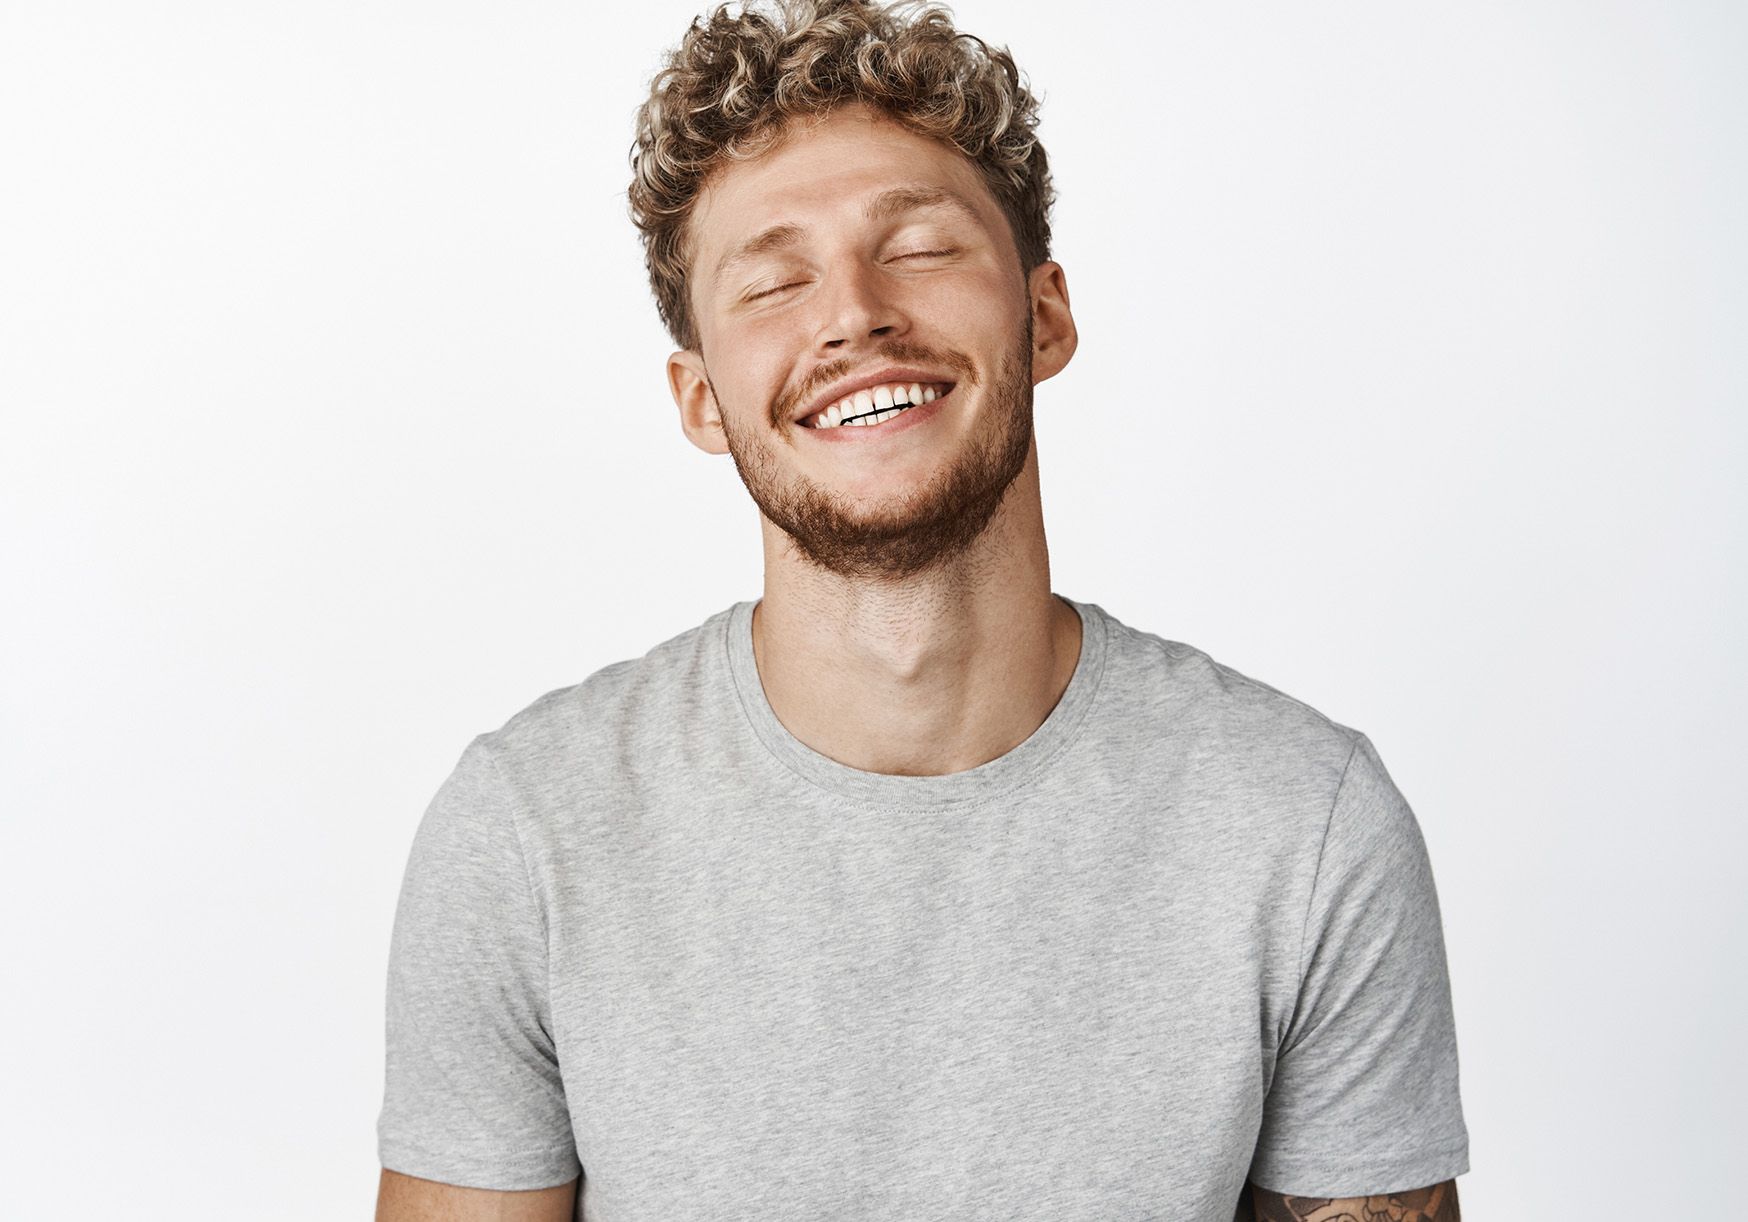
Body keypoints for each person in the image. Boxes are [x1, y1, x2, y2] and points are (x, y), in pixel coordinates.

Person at [374, 1, 1469, 1218]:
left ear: (1043, 315)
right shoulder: (528, 835)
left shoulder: (1302, 829)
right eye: (775, 281)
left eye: (922, 247)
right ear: (700, 400)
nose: (851, 311)